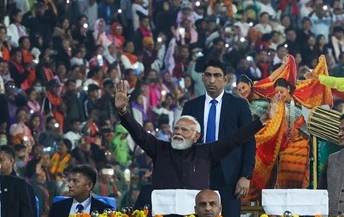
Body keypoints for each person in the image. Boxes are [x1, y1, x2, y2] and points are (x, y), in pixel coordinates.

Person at [113, 80, 263, 201]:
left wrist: (261, 121)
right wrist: (123, 112)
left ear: (196, 136)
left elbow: (235, 139)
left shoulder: (206, 152)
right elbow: (139, 133)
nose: (178, 132)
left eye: (184, 130)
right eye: (176, 129)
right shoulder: (159, 148)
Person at [180, 59, 257, 217]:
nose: (212, 80)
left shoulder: (239, 106)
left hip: (229, 175)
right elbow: (183, 141)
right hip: (197, 172)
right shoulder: (191, 106)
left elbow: (249, 142)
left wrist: (246, 175)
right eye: (208, 75)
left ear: (225, 79)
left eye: (217, 75)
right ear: (202, 78)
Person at [253, 78, 314, 191]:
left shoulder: (300, 105)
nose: (279, 95)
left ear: (288, 89)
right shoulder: (276, 106)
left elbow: (306, 131)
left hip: (299, 147)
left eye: (281, 91)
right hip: (282, 147)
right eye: (277, 93)